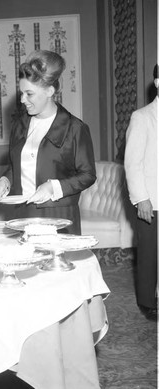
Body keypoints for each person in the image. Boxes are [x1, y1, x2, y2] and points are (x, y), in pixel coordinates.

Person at [0, 50, 96, 234]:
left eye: (29, 94)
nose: (23, 100)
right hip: (22, 214)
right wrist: (5, 180)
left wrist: (53, 186)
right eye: (22, 93)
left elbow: (88, 175)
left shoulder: (75, 128)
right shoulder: (19, 125)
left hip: (60, 217)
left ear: (50, 91)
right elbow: (17, 166)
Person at [124, 64, 158, 319]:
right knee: (149, 254)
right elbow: (132, 162)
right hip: (152, 200)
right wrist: (142, 199)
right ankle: (147, 301)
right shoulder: (143, 117)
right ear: (157, 82)